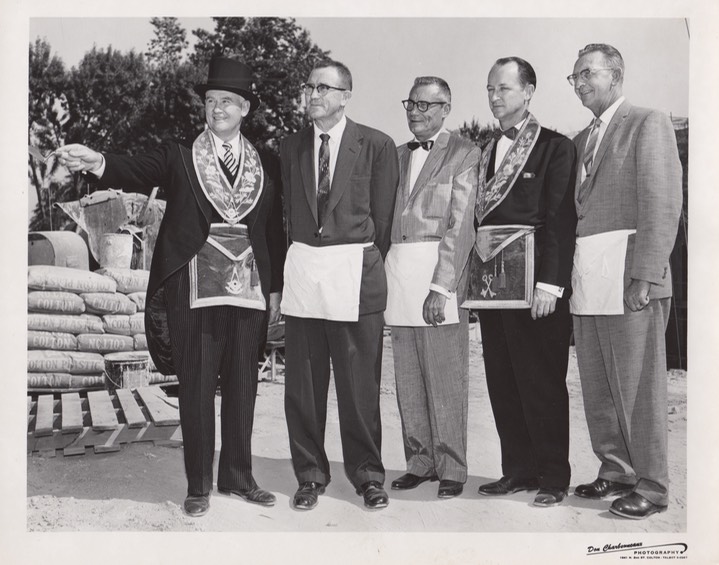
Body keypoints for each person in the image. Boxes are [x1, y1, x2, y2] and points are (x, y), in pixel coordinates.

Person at [56, 57, 285, 518]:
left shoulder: (267, 163)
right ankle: (198, 484)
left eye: (226, 101)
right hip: (193, 285)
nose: (216, 108)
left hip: (249, 287)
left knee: (243, 383)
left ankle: (238, 476)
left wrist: (276, 288)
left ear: (245, 109)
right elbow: (133, 169)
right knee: (198, 383)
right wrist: (98, 161)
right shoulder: (180, 156)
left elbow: (273, 232)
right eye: (209, 101)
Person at [568, 43, 682, 519]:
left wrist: (645, 276)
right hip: (590, 278)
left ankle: (653, 486)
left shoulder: (647, 122)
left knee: (639, 389)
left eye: (587, 74)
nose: (579, 83)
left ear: (615, 76)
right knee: (597, 384)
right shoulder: (578, 141)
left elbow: (661, 201)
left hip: (632, 278)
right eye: (573, 76)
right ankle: (615, 470)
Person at [279, 60, 399, 510]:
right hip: (306, 275)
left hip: (355, 274)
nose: (313, 95)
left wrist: (358, 260)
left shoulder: (376, 144)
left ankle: (368, 475)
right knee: (304, 385)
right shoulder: (289, 147)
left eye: (324, 88)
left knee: (359, 386)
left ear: (346, 95)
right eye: (308, 86)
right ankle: (309, 474)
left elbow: (383, 221)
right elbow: (286, 216)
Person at [474, 57, 577, 507]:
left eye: (504, 88)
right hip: (493, 285)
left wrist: (550, 284)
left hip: (535, 282)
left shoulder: (555, 147)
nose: (495, 97)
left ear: (529, 90)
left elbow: (559, 218)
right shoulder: (484, 151)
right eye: (490, 89)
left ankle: (554, 476)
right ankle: (517, 469)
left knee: (542, 380)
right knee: (503, 378)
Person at [384, 76, 479, 499]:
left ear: (446, 108)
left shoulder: (464, 152)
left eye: (426, 104)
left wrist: (441, 288)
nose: (416, 111)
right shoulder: (396, 155)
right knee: (407, 376)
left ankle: (452, 467)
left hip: (438, 274)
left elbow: (461, 226)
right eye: (411, 103)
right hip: (398, 271)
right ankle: (419, 460)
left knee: (445, 375)